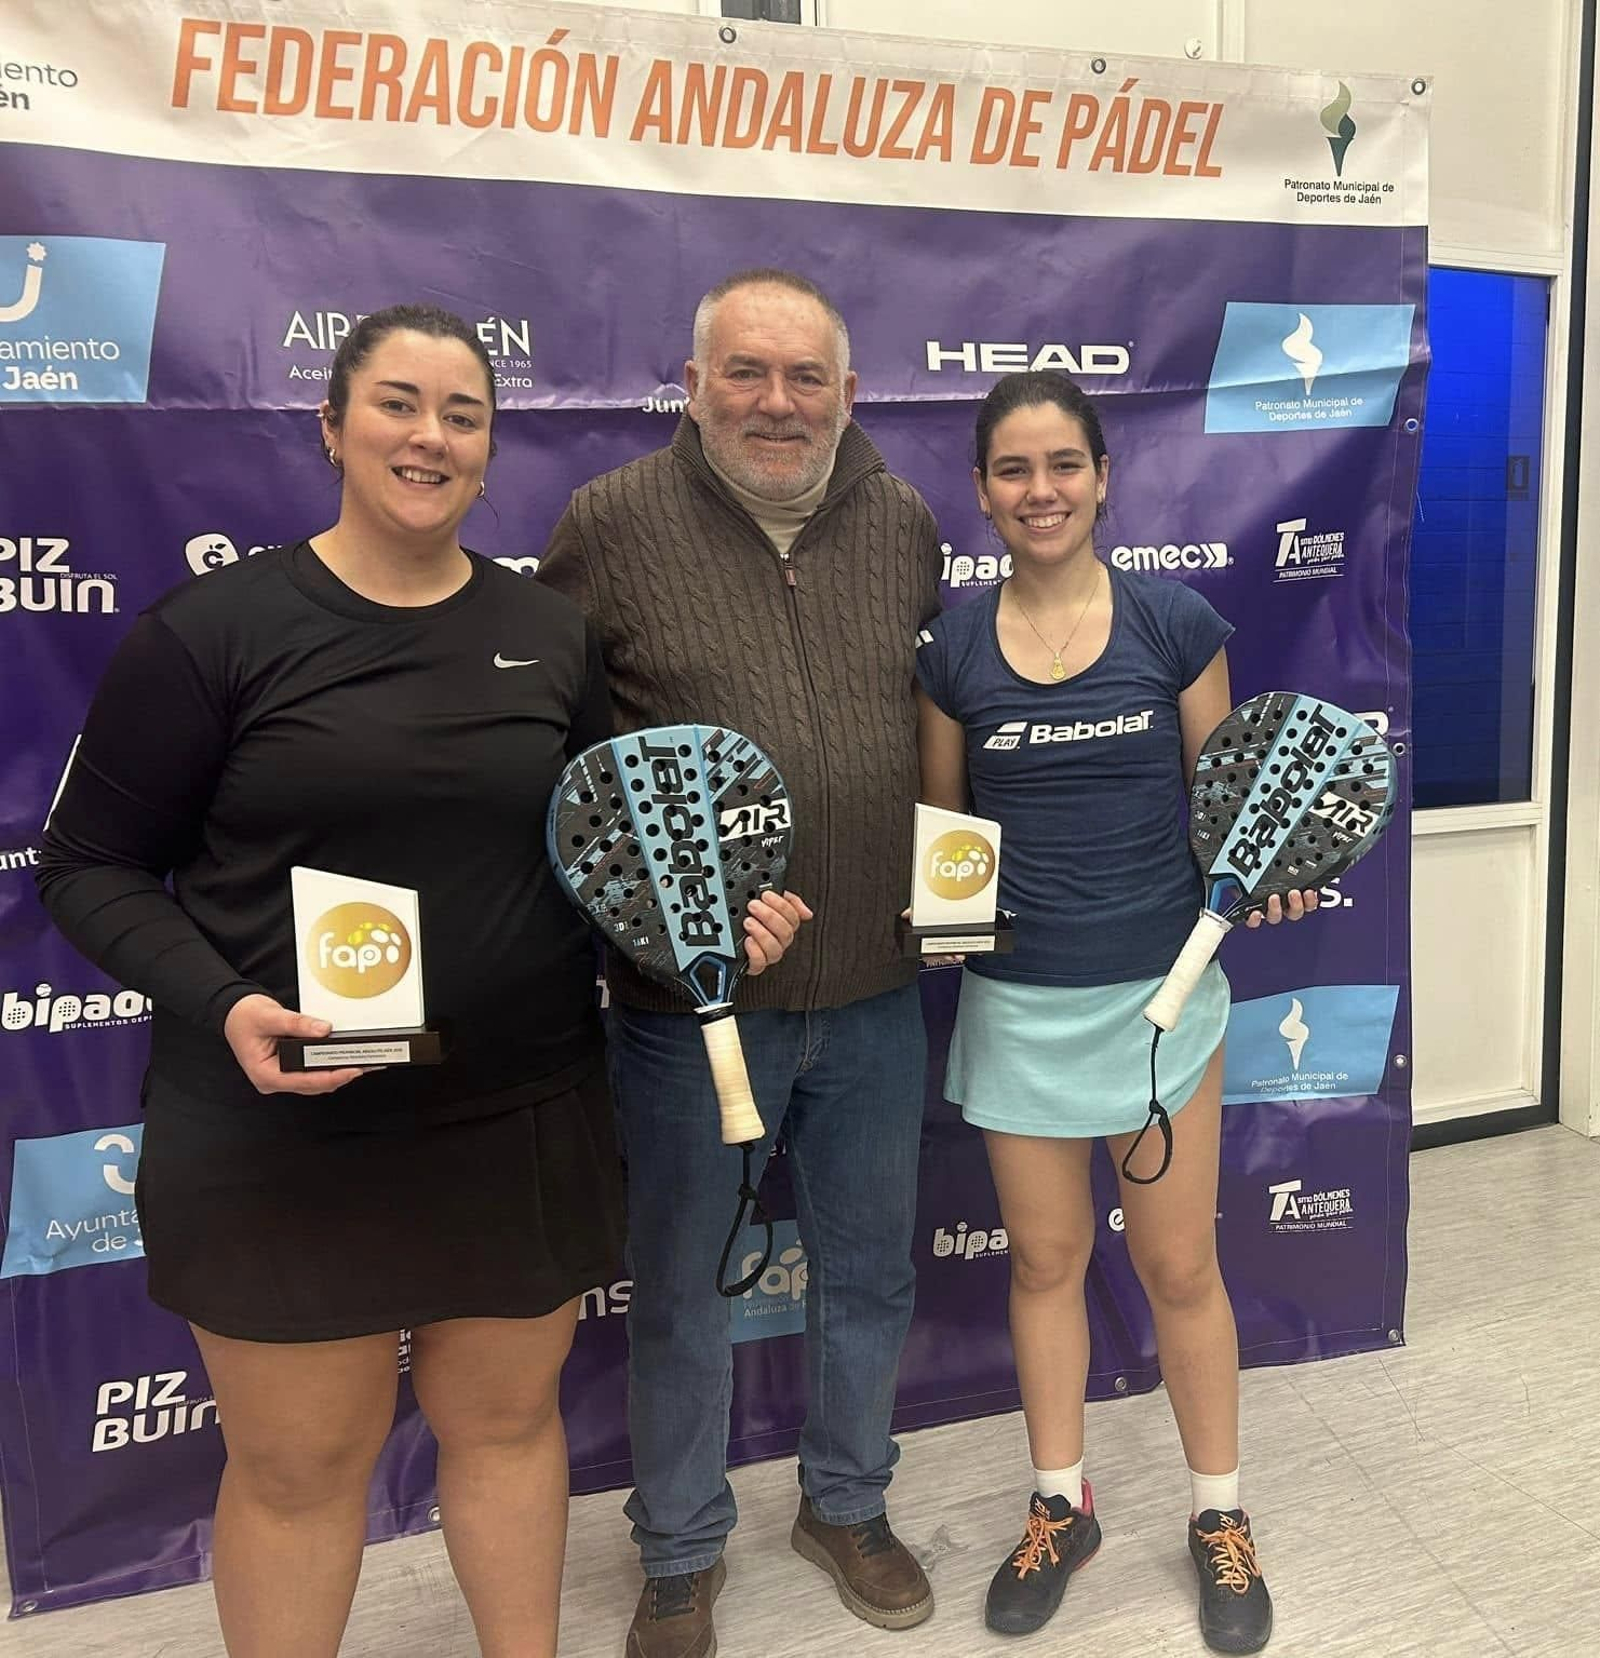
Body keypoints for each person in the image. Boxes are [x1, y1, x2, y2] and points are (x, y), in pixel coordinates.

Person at [34, 303, 805, 1658]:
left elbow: (600, 855)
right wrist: (225, 1002)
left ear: (491, 447)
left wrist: (701, 925)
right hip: (279, 1127)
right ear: (331, 424)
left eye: (463, 414)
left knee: (505, 1426)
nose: (430, 436)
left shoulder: (547, 634)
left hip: (514, 1114)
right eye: (398, 403)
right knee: (298, 1468)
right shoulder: (213, 632)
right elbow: (87, 867)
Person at [540, 268, 943, 1657]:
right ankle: (678, 1548)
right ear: (695, 383)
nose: (778, 401)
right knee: (682, 1287)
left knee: (870, 1273)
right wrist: (664, 913)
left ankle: (847, 1501)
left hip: (876, 991)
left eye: (805, 375)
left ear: (849, 390)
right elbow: (569, 774)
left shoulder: (903, 522)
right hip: (686, 1010)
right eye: (747, 372)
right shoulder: (610, 522)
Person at [914, 371, 1316, 1656]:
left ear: (1101, 478)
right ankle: (1060, 1503)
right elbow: (947, 841)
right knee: (1043, 1264)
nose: (1040, 490)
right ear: (982, 492)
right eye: (1013, 469)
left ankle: (1218, 1512)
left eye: (1063, 465)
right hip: (1017, 1011)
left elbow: (1230, 812)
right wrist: (937, 911)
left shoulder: (1174, 622)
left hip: (1163, 1007)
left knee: (1180, 1267)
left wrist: (1265, 876)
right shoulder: (951, 651)